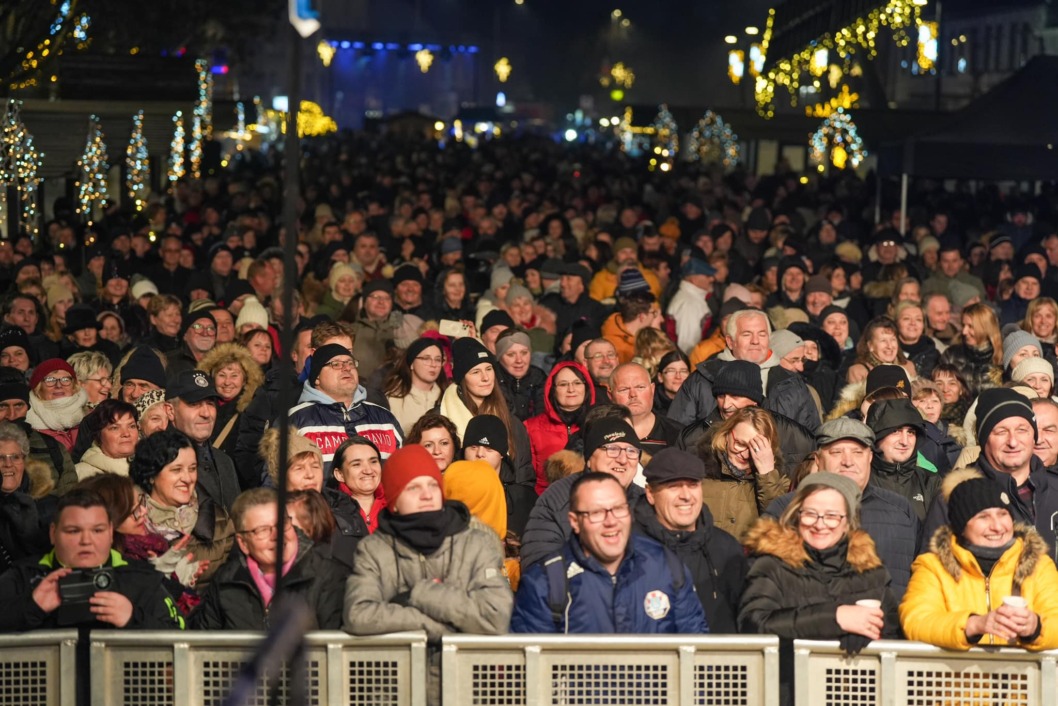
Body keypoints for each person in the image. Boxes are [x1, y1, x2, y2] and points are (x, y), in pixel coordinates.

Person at [343, 444, 513, 704]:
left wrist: (419, 594)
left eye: (432, 485)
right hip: (396, 693)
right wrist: (440, 626)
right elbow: (359, 614)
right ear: (395, 501)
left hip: (468, 692)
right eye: (413, 488)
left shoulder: (477, 542)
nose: (426, 495)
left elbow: (495, 615)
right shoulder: (374, 549)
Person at [740, 473, 900, 705]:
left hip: (853, 696)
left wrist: (871, 644)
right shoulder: (771, 565)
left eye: (832, 516)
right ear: (797, 514)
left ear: (847, 521)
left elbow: (893, 633)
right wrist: (835, 618)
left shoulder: (870, 572)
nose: (820, 524)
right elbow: (753, 623)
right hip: (786, 695)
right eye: (811, 514)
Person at [511, 470, 707, 633]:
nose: (611, 521)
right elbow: (528, 669)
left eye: (618, 509)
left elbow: (696, 652)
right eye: (596, 512)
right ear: (574, 521)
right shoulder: (546, 582)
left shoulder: (665, 566)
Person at [764, 418, 919, 598]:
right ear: (818, 460)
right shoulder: (786, 509)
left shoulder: (901, 510)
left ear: (870, 457)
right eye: (836, 452)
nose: (848, 461)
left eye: (857, 452)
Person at [901, 474, 1058, 650]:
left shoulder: (1039, 564)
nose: (998, 527)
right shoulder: (934, 567)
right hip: (956, 676)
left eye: (1003, 514)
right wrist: (973, 624)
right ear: (961, 526)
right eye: (983, 517)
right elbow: (916, 621)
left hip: (1021, 676)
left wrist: (1035, 627)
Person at [0, 488, 185, 632]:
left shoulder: (141, 579)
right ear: (53, 534)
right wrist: (30, 608)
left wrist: (132, 618)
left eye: (97, 530)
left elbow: (182, 636)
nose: (86, 541)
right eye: (73, 531)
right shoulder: (23, 576)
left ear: (111, 533)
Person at [920, 388, 1058, 554]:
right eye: (1001, 432)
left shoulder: (1054, 487)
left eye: (1022, 430)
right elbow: (932, 570)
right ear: (984, 439)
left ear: (1032, 436)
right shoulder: (954, 497)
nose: (1013, 442)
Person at [191, 488, 346, 630]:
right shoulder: (227, 582)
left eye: (282, 524)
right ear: (243, 543)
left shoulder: (329, 576)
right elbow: (201, 646)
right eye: (262, 530)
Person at [633, 448, 746, 633]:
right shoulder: (629, 548)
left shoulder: (726, 548)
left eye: (693, 485)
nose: (686, 495)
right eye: (673, 486)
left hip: (717, 660)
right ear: (650, 494)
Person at [520, 418, 645, 568]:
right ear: (589, 459)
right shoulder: (559, 497)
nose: (623, 459)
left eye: (631, 451)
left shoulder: (647, 502)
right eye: (612, 449)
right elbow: (538, 564)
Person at [669, 308, 820, 432]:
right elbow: (677, 433)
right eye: (747, 334)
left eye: (761, 334)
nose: (755, 341)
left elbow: (810, 437)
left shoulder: (792, 383)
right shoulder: (701, 380)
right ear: (730, 341)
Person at [129, 429, 236, 587]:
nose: (187, 478)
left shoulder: (219, 520)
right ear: (151, 475)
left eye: (192, 469)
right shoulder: (128, 523)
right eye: (176, 470)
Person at [288, 343, 404, 470]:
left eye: (350, 363)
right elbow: (274, 479)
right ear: (317, 378)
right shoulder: (296, 420)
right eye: (336, 364)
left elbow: (404, 472)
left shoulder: (384, 418)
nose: (346, 368)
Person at [698, 406, 788, 540]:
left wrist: (767, 475)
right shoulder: (698, 470)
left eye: (755, 449)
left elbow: (778, 529)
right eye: (740, 444)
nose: (745, 455)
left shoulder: (778, 483)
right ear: (727, 434)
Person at [165, 370, 243, 508]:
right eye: (194, 404)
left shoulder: (225, 461)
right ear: (170, 411)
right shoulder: (160, 461)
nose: (206, 413)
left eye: (210, 403)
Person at [864, 398, 941, 521]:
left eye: (910, 432)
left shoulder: (930, 481)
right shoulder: (860, 480)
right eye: (896, 431)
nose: (905, 442)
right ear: (877, 436)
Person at [524, 361, 595, 495]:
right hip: (547, 501)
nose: (571, 389)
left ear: (587, 387)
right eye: (563, 384)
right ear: (552, 389)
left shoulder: (599, 423)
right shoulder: (530, 427)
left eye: (577, 383)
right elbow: (527, 479)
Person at [462, 414, 538, 537]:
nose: (480, 454)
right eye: (473, 447)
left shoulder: (524, 499)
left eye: (489, 448)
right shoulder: (451, 492)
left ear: (502, 454)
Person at [0, 421, 56, 573]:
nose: (8, 464)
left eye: (15, 457)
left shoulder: (51, 505)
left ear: (24, 461)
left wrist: (31, 535)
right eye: (1, 458)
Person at [195, 342, 265, 457]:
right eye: (222, 375)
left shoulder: (252, 412)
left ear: (244, 381)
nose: (227, 382)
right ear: (212, 378)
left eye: (234, 376)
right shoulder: (198, 407)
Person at [610, 362, 683, 454]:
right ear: (610, 396)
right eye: (624, 389)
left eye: (640, 387)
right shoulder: (599, 433)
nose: (633, 394)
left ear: (652, 390)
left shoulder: (677, 434)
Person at [383, 337, 447, 435]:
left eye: (438, 360)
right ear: (411, 363)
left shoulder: (447, 397)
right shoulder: (392, 398)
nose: (433, 364)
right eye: (426, 358)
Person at [73, 399, 139, 481]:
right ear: (98, 435)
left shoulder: (152, 467)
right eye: (115, 428)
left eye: (131, 426)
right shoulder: (80, 475)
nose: (126, 434)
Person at [493, 328, 547, 421]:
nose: (519, 360)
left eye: (524, 353)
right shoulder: (491, 379)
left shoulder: (539, 378)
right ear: (499, 357)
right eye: (511, 354)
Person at [653, 349, 690, 416]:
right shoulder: (650, 403)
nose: (678, 376)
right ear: (660, 377)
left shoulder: (698, 401)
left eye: (683, 371)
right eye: (671, 371)